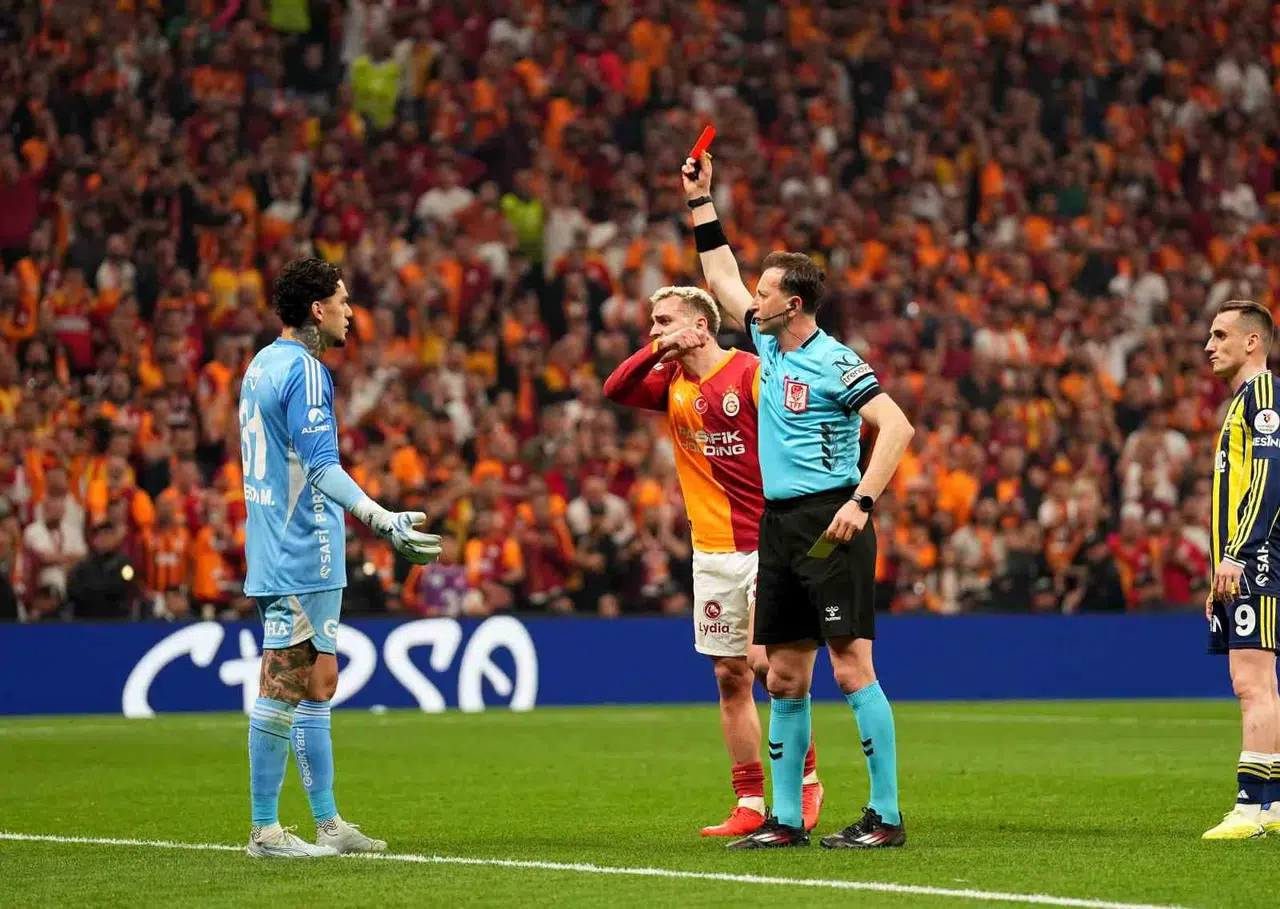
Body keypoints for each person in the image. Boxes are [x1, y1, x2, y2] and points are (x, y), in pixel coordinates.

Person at [683, 152, 915, 849]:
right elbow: (720, 277)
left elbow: (897, 426)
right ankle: (785, 819)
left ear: (793, 303)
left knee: (850, 667)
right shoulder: (768, 341)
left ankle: (885, 814)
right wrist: (701, 201)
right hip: (778, 524)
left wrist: (862, 502)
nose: (751, 300)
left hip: (830, 520)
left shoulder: (835, 361)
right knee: (783, 675)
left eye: (764, 292)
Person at [239, 258, 442, 858]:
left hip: (299, 544)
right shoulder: (305, 371)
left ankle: (328, 825)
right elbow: (322, 467)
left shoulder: (262, 363)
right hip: (296, 548)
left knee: (318, 681)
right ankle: (264, 830)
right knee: (283, 681)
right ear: (317, 309)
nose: (351, 312)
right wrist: (383, 519)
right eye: (343, 301)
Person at [603, 285, 823, 838]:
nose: (653, 332)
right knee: (729, 676)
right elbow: (615, 387)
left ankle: (805, 783)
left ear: (701, 326)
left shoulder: (750, 372)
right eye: (652, 323)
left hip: (766, 544)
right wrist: (660, 348)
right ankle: (749, 801)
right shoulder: (669, 381)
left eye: (664, 322)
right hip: (711, 551)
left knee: (767, 667)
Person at [1201, 299, 1280, 840]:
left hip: (1257, 558)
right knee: (1258, 682)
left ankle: (1250, 807)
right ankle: (1271, 806)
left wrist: (1238, 554)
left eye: (1220, 335)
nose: (1209, 346)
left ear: (1252, 342)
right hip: (1244, 561)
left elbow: (1271, 478)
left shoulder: (1264, 394)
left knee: (1251, 683)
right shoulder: (1241, 403)